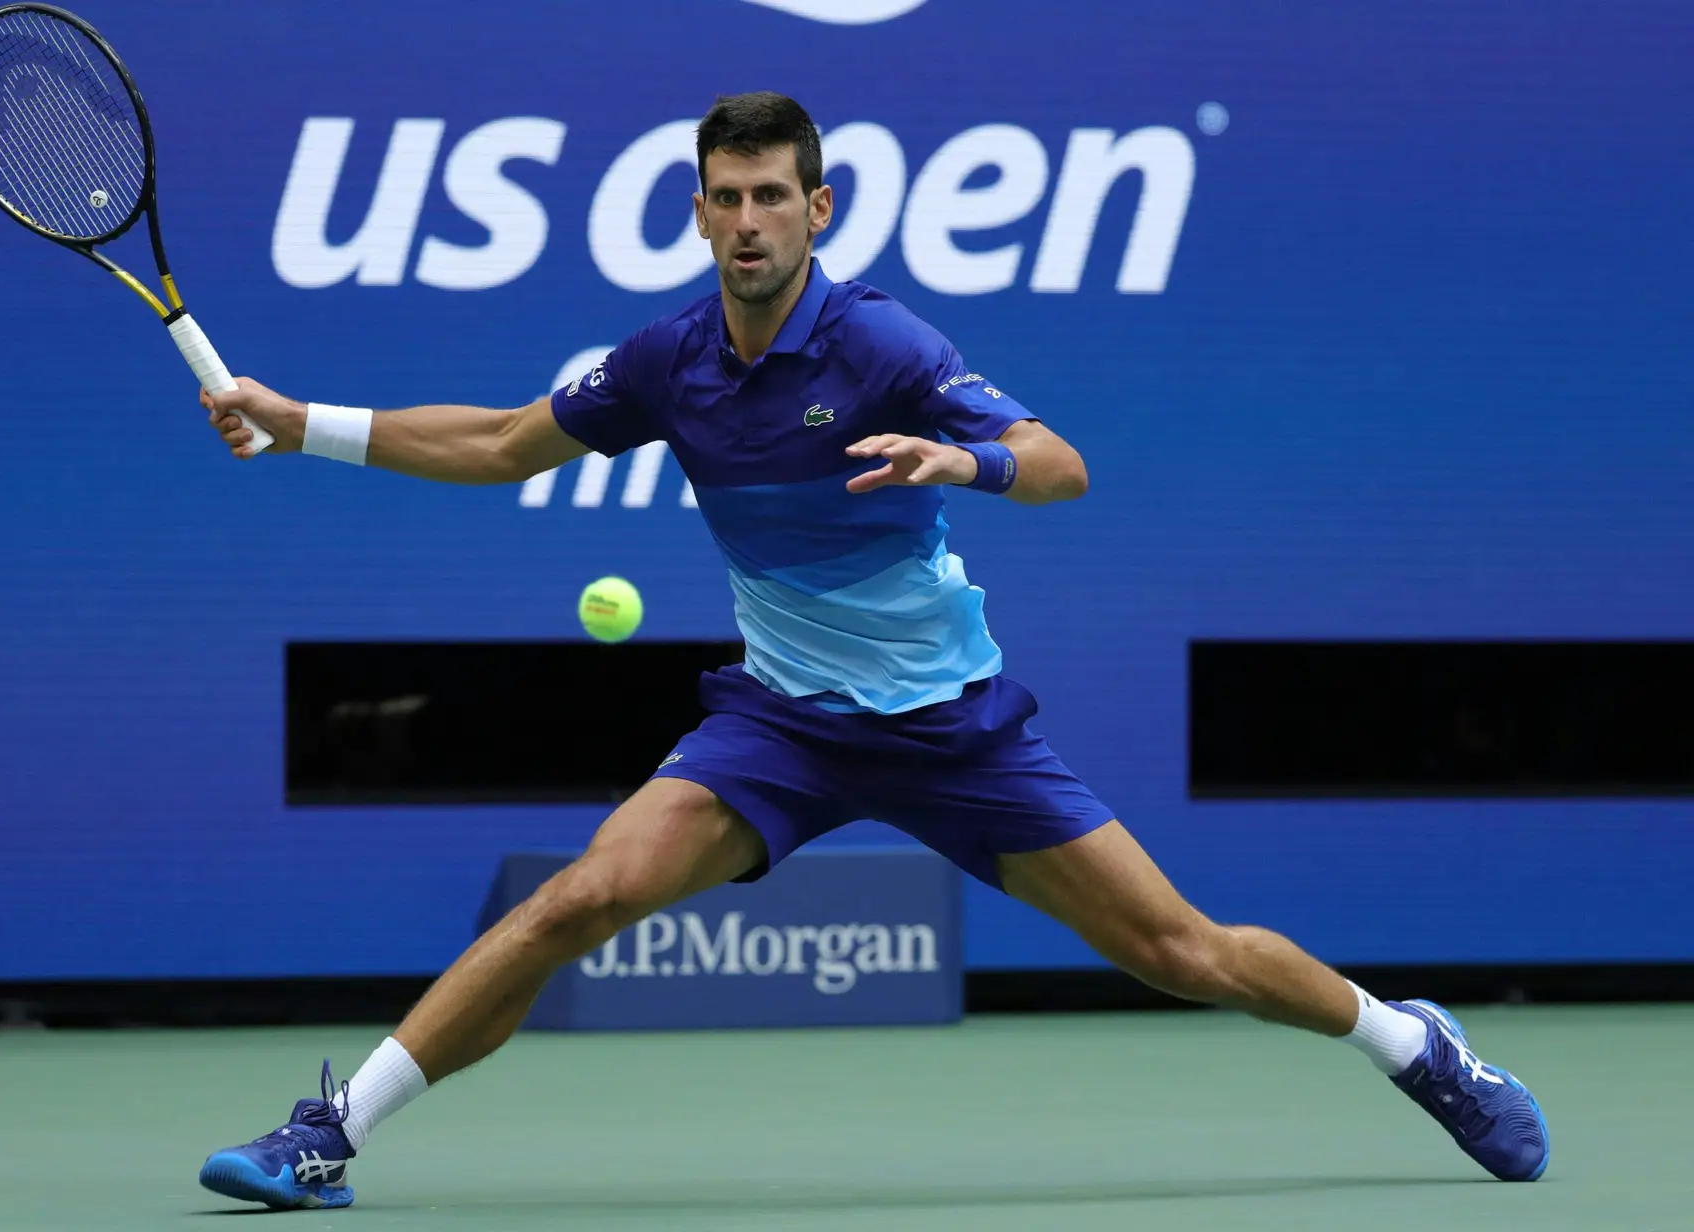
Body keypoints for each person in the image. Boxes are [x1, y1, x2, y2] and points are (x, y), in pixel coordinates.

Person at [193, 93, 1549, 1211]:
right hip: (780, 727)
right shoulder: (667, 361)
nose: (746, 221)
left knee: (1182, 953)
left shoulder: (884, 342)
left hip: (951, 729)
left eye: (771, 195)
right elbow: (500, 442)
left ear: (817, 209)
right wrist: (297, 419)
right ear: (698, 208)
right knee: (574, 901)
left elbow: (1062, 464)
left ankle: (1412, 1044)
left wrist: (961, 458)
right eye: (724, 196)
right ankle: (330, 1134)